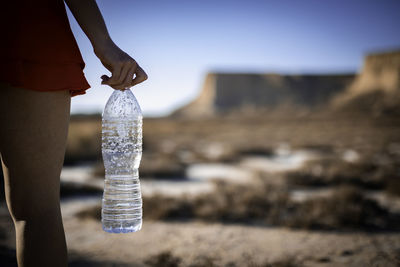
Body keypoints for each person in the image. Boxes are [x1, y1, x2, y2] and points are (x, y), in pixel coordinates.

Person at [0, 0, 147, 266]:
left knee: (35, 210)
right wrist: (103, 42)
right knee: (36, 211)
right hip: (30, 29)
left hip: (29, 32)